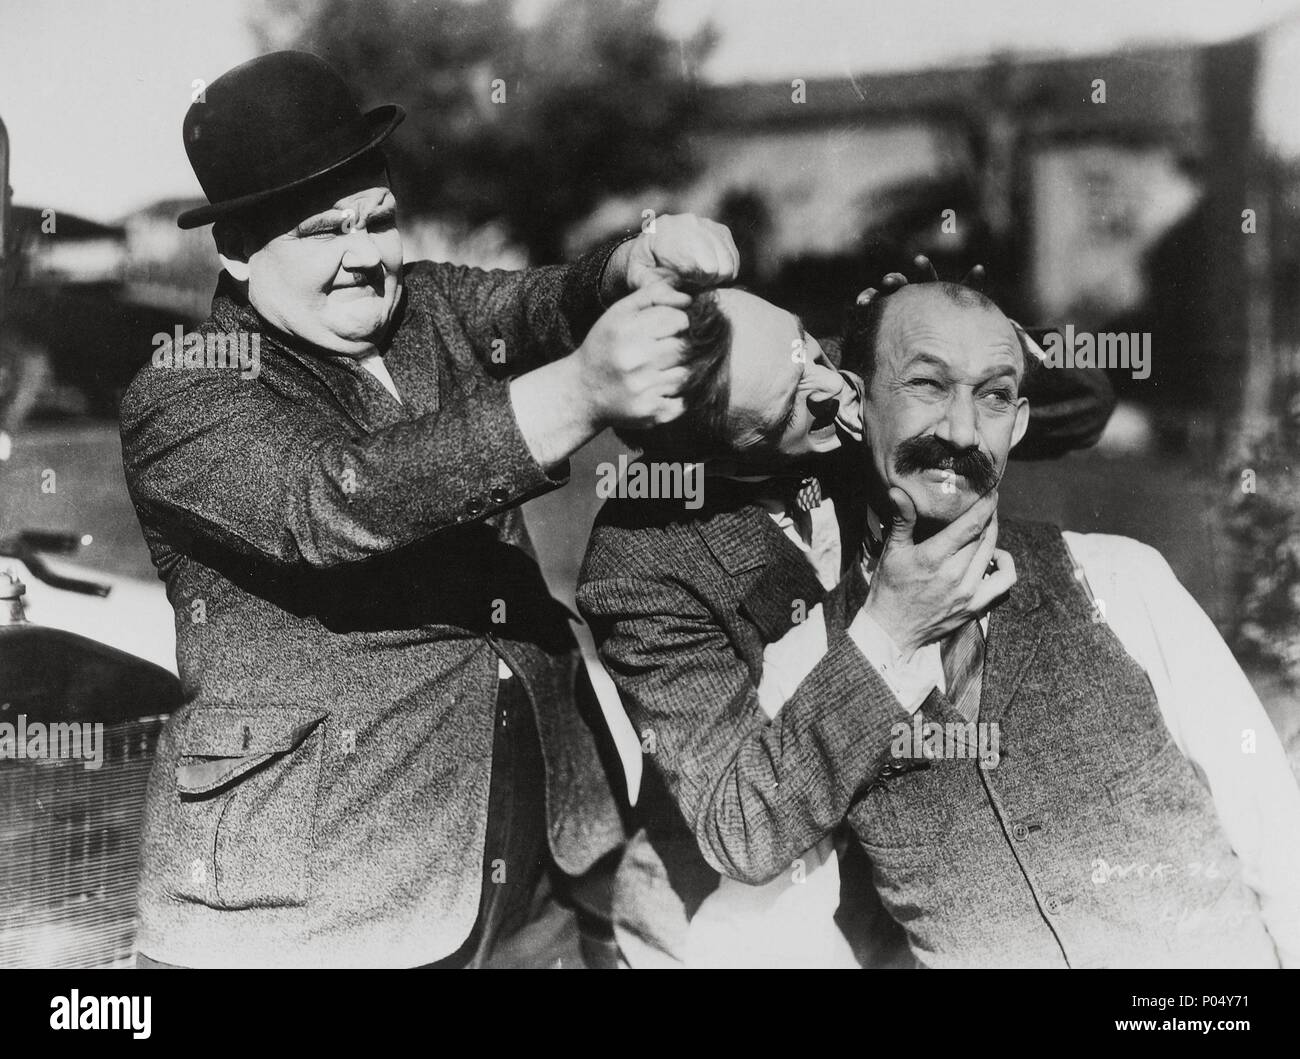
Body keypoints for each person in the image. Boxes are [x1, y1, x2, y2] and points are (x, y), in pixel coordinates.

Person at [119, 50, 739, 968]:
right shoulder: (186, 387)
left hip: (544, 870)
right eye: (325, 232)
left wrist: (634, 262)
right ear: (238, 251)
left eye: (380, 219)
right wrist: (578, 393)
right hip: (318, 908)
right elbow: (332, 499)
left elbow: (544, 301)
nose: (367, 256)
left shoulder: (430, 308)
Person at [576, 283, 1120, 966]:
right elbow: (740, 828)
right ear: (717, 457)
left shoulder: (810, 375)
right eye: (793, 400)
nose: (833, 383)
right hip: (748, 920)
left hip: (907, 874)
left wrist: (961, 331)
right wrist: (887, 628)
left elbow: (1083, 408)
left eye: (808, 347)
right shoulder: (639, 564)